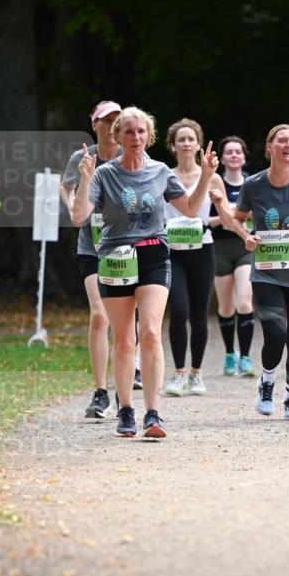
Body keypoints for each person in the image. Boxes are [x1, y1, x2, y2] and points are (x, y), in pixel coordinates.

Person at [73, 106, 219, 438]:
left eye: (141, 132)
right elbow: (79, 216)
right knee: (125, 341)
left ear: (149, 136)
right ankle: (126, 408)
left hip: (154, 253)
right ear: (118, 136)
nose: (135, 137)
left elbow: (192, 210)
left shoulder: (161, 172)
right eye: (128, 132)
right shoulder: (106, 174)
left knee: (151, 332)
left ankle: (153, 414)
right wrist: (85, 179)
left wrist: (207, 176)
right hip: (115, 258)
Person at [217, 123, 289, 421]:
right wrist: (246, 237)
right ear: (269, 147)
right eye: (282, 141)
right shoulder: (253, 184)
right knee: (275, 332)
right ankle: (267, 381)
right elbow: (236, 219)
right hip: (266, 272)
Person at [61, 100, 122, 419]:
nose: (111, 126)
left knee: (127, 319)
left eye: (117, 120)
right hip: (92, 246)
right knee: (99, 315)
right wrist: (75, 206)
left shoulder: (132, 155)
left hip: (126, 247)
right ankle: (100, 392)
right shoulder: (82, 157)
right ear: (94, 123)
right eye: (105, 120)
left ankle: (129, 374)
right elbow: (65, 185)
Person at [163, 118, 227, 396]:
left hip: (202, 249)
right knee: (178, 310)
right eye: (181, 140)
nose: (186, 144)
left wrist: (217, 210)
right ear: (173, 145)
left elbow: (226, 217)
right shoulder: (163, 175)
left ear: (199, 144)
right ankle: (178, 373)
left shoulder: (212, 176)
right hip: (173, 252)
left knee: (199, 314)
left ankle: (196, 373)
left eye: (191, 139)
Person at [209, 135, 255, 377]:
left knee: (244, 302)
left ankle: (246, 358)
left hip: (246, 248)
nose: (234, 155)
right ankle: (230, 353)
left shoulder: (253, 184)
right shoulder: (214, 184)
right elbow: (203, 220)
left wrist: (233, 219)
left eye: (238, 151)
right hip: (220, 249)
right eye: (229, 152)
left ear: (244, 156)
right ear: (223, 158)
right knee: (226, 306)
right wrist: (227, 218)